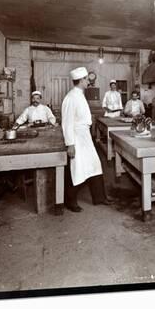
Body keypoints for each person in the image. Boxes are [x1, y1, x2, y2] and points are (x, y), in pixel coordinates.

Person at [61, 66, 112, 212]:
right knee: (76, 169)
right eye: (86, 79)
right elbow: (67, 123)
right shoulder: (71, 97)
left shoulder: (80, 94)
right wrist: (70, 144)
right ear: (81, 80)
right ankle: (70, 201)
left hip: (85, 136)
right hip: (76, 137)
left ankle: (99, 197)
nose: (88, 82)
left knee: (95, 165)